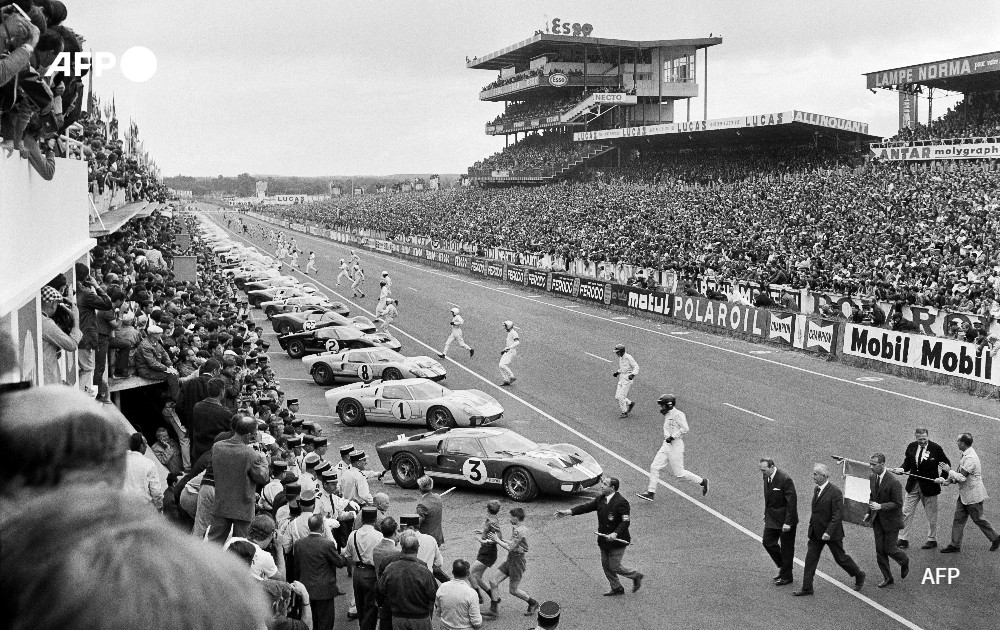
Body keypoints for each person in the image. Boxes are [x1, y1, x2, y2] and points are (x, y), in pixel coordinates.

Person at [556, 476, 642, 596]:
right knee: (606, 566)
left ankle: (635, 575)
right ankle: (616, 587)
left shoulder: (621, 502)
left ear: (612, 488)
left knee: (615, 566)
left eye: (605, 484)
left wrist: (615, 533)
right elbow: (586, 507)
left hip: (617, 541)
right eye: (602, 483)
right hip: (603, 540)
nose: (601, 485)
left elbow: (625, 522)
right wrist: (569, 512)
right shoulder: (601, 499)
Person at [793, 464, 865, 596]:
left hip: (831, 534)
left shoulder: (835, 492)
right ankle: (807, 587)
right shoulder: (817, 489)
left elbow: (837, 515)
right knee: (810, 559)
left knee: (840, 558)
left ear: (824, 476)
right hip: (815, 532)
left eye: (815, 474)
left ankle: (859, 574)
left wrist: (828, 532)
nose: (812, 476)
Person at [636, 394, 709, 502]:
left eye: (663, 405)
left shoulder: (678, 414)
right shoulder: (667, 414)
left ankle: (702, 481)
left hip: (676, 446)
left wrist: (673, 437)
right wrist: (668, 438)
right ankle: (651, 492)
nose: (661, 408)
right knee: (655, 467)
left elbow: (685, 428)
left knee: (679, 474)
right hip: (666, 444)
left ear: (669, 405)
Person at [209, 416, 270, 543]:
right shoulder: (250, 454)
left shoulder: (217, 447)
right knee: (241, 546)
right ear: (249, 435)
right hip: (243, 507)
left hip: (221, 503)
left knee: (214, 543)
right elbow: (263, 477)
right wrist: (263, 458)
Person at [936, 433, 1000, 553]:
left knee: (978, 519)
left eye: (958, 441)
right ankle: (955, 545)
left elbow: (962, 477)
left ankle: (995, 537)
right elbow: (960, 475)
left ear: (963, 443)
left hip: (973, 496)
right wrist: (949, 481)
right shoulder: (967, 454)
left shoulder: (970, 458)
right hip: (965, 494)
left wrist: (949, 471)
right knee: (958, 519)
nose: (957, 443)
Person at [891, 428, 950, 549]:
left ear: (928, 436)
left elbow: (946, 465)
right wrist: (902, 469)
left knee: (931, 515)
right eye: (920, 439)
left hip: (929, 487)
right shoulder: (911, 447)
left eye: (924, 439)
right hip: (913, 485)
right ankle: (902, 538)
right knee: (905, 512)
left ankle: (932, 539)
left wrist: (942, 478)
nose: (922, 441)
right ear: (915, 437)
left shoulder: (936, 448)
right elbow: (907, 462)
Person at [293, 514, 347, 630]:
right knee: (325, 624)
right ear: (322, 527)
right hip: (324, 591)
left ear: (309, 527)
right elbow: (339, 562)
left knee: (310, 622)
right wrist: (347, 558)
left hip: (306, 590)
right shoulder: (327, 544)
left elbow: (296, 568)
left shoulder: (299, 544)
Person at [376, 531, 439, 630]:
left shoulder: (390, 569)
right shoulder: (423, 570)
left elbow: (381, 589)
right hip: (420, 618)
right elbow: (433, 594)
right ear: (417, 548)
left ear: (402, 547)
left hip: (398, 618)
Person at [863, 452, 909, 587]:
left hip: (891, 522)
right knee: (879, 550)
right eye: (870, 464)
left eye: (874, 464)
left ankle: (904, 560)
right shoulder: (873, 477)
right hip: (877, 520)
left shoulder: (893, 482)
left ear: (882, 465)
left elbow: (898, 503)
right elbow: (873, 496)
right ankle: (887, 577)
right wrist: (869, 512)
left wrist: (880, 506)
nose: (871, 467)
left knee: (889, 548)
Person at [486, 507, 540, 616]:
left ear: (515, 518)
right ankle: (493, 610)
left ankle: (533, 603)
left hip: (517, 562)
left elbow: (510, 547)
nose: (510, 518)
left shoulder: (519, 531)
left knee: (513, 590)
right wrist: (499, 540)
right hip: (511, 559)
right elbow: (513, 543)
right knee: (493, 581)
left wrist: (497, 540)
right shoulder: (519, 528)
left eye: (511, 516)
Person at [758, 458, 798, 586]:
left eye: (764, 470)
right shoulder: (766, 477)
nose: (762, 473)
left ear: (772, 467)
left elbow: (791, 502)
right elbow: (769, 498)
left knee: (787, 549)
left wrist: (787, 522)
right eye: (761, 470)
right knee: (768, 542)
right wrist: (766, 514)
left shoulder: (785, 479)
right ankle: (784, 567)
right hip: (772, 517)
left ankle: (787, 576)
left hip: (785, 520)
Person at [344, 506, 383, 630]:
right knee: (371, 609)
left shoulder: (353, 535)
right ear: (375, 519)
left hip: (358, 572)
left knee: (360, 607)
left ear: (362, 519)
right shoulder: (378, 536)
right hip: (372, 573)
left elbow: (348, 556)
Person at [40, 285, 82, 386]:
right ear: (53, 304)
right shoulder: (46, 323)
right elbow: (71, 345)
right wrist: (76, 320)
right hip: (49, 381)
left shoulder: (37, 318)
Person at [191, 378, 234, 463]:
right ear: (222, 391)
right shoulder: (224, 412)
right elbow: (232, 431)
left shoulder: (197, 406)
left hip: (198, 451)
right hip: (214, 454)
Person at [134, 323, 180, 403]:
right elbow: (152, 363)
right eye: (159, 334)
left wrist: (170, 365)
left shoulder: (155, 343)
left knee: (174, 372)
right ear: (153, 335)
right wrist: (167, 369)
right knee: (172, 375)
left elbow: (164, 354)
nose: (161, 335)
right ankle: (176, 399)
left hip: (154, 368)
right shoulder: (145, 345)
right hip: (145, 370)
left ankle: (169, 395)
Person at [435, 559, 484, 630]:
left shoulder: (442, 588)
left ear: (452, 572)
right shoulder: (471, 593)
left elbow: (438, 612)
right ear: (468, 574)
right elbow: (477, 622)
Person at [470, 500, 502, 604]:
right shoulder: (492, 519)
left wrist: (483, 540)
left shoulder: (492, 522)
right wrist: (482, 531)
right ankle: (493, 596)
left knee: (469, 573)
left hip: (488, 552)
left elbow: (499, 538)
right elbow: (491, 531)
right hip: (486, 551)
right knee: (477, 577)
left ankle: (478, 596)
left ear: (487, 510)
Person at [123, 432, 163, 511]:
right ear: (141, 446)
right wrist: (159, 507)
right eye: (146, 445)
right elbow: (156, 491)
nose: (146, 447)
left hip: (122, 505)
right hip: (140, 507)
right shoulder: (149, 464)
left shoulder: (122, 460)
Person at [416, 475, 445, 547]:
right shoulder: (438, 497)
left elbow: (417, 524)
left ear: (420, 488)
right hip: (437, 537)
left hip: (426, 541)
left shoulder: (422, 505)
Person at [612, 343, 638, 418]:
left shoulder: (628, 358)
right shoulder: (621, 358)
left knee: (621, 396)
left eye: (617, 352)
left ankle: (624, 412)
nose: (616, 353)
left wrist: (633, 374)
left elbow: (636, 367)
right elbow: (623, 368)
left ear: (622, 351)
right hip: (621, 378)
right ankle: (630, 403)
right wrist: (617, 372)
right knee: (617, 396)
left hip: (627, 379)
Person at [498, 320, 519, 386]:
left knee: (502, 365)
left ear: (508, 326)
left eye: (505, 326)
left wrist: (509, 347)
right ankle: (506, 380)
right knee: (500, 365)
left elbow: (517, 342)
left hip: (511, 351)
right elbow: (509, 343)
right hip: (508, 351)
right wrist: (504, 349)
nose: (504, 328)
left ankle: (511, 376)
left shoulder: (514, 333)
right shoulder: (510, 333)